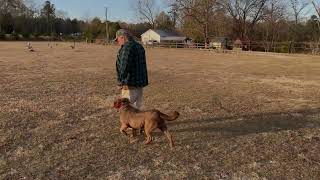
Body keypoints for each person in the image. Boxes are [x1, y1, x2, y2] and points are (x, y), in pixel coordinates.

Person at [114, 29, 148, 109]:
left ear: (122, 37)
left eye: (117, 39)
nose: (117, 42)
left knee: (127, 110)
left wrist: (120, 82)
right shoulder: (139, 46)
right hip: (139, 84)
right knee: (136, 108)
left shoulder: (127, 47)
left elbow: (124, 66)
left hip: (130, 84)